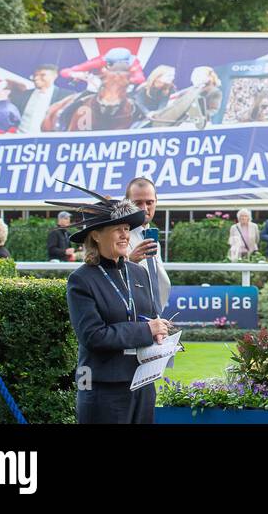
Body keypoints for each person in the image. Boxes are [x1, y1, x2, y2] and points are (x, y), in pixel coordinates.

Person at [60, 194, 171, 424]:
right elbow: (93, 336)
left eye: (127, 228)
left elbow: (148, 318)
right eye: (117, 229)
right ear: (96, 236)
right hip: (103, 390)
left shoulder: (139, 272)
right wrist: (146, 330)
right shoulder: (81, 280)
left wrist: (160, 330)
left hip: (143, 384)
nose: (125, 234)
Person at [125, 178, 169, 312]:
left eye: (149, 202)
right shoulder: (119, 238)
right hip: (132, 319)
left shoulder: (152, 238)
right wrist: (129, 261)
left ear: (156, 201)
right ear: (127, 203)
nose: (144, 208)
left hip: (154, 316)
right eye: (138, 203)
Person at [9, 64, 66, 135]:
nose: (36, 78)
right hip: (20, 140)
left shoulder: (65, 96)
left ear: (54, 76)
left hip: (44, 143)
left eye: (42, 75)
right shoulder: (23, 95)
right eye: (35, 75)